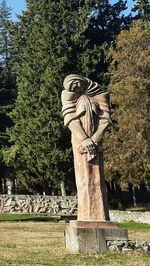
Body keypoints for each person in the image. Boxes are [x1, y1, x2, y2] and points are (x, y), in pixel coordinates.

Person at [61, 74, 111, 221]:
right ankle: (86, 216)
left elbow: (105, 118)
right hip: (80, 140)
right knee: (84, 177)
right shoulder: (67, 96)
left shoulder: (99, 94)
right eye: (72, 87)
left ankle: (99, 217)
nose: (76, 87)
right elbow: (69, 117)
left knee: (97, 179)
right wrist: (83, 139)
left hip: (96, 140)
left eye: (76, 83)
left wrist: (95, 139)